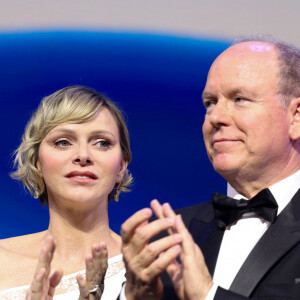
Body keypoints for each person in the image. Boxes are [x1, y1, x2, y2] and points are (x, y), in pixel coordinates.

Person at [119, 34, 300, 299]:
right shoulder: (168, 236)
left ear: (296, 117)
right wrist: (134, 295)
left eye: (239, 99)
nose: (215, 117)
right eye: (210, 103)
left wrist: (208, 295)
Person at [0, 86, 133, 299]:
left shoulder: (146, 269)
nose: (83, 155)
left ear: (121, 167)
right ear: (37, 163)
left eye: (102, 143)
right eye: (63, 142)